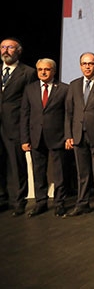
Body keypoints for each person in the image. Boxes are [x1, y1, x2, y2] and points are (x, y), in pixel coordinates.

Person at [64, 52, 94, 218]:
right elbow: (69, 113)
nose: (87, 67)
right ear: (80, 66)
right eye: (84, 64)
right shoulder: (74, 85)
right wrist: (68, 135)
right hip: (78, 135)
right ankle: (82, 203)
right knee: (82, 173)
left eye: (91, 63)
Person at [20, 58, 69, 217]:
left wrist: (67, 136)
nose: (43, 72)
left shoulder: (64, 89)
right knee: (38, 172)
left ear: (53, 71)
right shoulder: (30, 89)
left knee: (59, 173)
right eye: (40, 69)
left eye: (46, 69)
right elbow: (25, 115)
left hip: (58, 137)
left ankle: (59, 203)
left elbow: (68, 115)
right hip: (36, 137)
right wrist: (25, 139)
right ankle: (41, 202)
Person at [0, 37, 37, 215]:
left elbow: (29, 103)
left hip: (15, 124)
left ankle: (18, 201)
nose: (6, 50)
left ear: (18, 51)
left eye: (10, 47)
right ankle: (2, 198)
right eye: (3, 47)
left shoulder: (28, 72)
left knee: (16, 164)